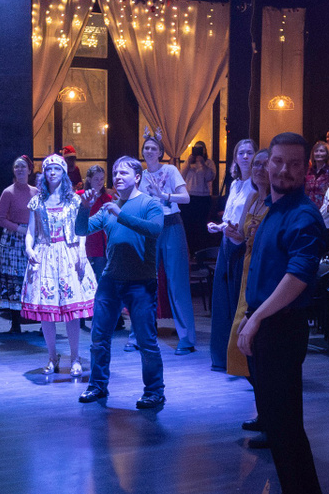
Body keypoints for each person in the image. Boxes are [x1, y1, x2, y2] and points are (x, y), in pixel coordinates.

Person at [236, 133, 329, 494]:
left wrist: (257, 318)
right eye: (278, 161)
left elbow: (299, 276)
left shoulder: (302, 215)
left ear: (305, 168)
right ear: (267, 163)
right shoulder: (273, 208)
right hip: (267, 324)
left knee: (286, 425)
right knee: (277, 424)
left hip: (281, 326)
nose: (284, 170)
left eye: (294, 163)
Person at [77, 156, 165, 408]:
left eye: (123, 172)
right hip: (111, 280)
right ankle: (97, 386)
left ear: (137, 177)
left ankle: (155, 391)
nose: (117, 176)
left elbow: (155, 229)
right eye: (115, 173)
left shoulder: (150, 203)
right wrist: (84, 208)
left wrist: (121, 213)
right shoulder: (109, 208)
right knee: (98, 337)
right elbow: (81, 230)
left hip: (141, 282)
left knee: (146, 341)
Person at [21, 154, 97, 376]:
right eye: (48, 169)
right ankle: (52, 357)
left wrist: (81, 251)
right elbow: (30, 231)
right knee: (47, 312)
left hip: (68, 253)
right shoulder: (37, 201)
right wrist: (29, 249)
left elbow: (82, 228)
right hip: (45, 254)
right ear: (44, 173)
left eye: (57, 169)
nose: (52, 172)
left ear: (64, 173)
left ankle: (75, 357)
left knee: (72, 311)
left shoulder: (74, 200)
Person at [226, 149, 272, 441]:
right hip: (247, 273)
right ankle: (264, 412)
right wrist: (235, 234)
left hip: (263, 276)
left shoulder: (275, 203)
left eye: (265, 164)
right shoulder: (253, 198)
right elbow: (244, 236)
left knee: (255, 347)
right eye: (256, 163)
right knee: (240, 345)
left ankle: (270, 418)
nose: (258, 168)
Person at [139, 132, 196, 354]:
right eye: (146, 148)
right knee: (145, 281)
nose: (149, 151)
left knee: (177, 282)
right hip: (150, 227)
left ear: (161, 152)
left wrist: (163, 195)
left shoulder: (170, 170)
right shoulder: (140, 175)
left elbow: (186, 197)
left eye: (154, 148)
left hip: (171, 224)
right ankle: (141, 334)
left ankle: (187, 339)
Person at [207, 138, 256, 372]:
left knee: (238, 301)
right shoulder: (235, 184)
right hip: (227, 243)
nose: (245, 156)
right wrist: (218, 227)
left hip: (242, 245)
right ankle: (221, 357)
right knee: (222, 300)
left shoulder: (256, 187)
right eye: (241, 153)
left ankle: (239, 359)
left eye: (249, 152)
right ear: (235, 158)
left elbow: (247, 223)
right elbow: (230, 218)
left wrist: (236, 233)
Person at [0, 155, 35, 329]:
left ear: (29, 170)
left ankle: (38, 320)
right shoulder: (8, 192)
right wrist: (18, 229)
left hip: (32, 236)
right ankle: (15, 322)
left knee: (32, 277)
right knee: (14, 279)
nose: (20, 169)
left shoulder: (36, 192)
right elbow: (0, 219)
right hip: (13, 239)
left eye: (23, 166)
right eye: (17, 166)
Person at [78, 164, 115, 282]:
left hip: (101, 245)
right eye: (96, 179)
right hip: (84, 243)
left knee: (100, 279)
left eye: (102, 179)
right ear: (89, 179)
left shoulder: (107, 198)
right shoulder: (79, 195)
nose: (100, 182)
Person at [304, 140, 329, 209]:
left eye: (322, 151)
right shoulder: (308, 171)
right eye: (316, 151)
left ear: (327, 153)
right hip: (308, 208)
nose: (318, 153)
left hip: (324, 210)